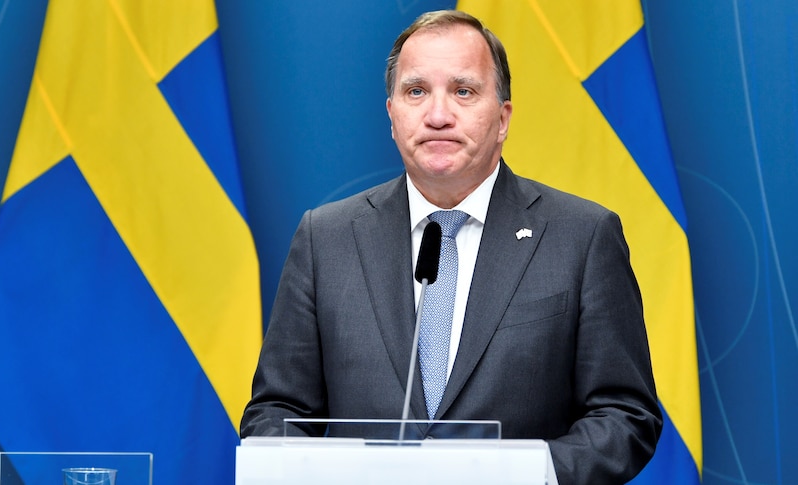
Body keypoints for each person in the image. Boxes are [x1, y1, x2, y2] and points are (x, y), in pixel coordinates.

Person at [241, 9, 662, 484]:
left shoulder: (582, 236)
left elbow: (625, 415)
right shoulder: (326, 238)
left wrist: (527, 473)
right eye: (416, 91)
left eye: (463, 91)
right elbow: (277, 411)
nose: (438, 116)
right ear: (392, 115)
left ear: (502, 118)